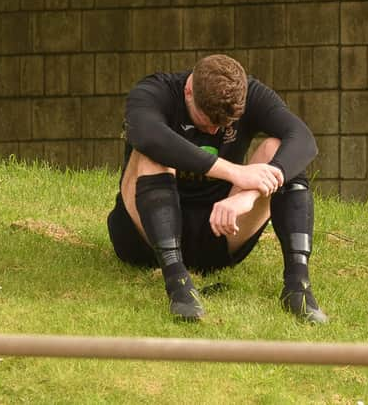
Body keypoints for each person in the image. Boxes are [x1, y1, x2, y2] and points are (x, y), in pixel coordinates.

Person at [107, 54, 328, 323]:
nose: (213, 131)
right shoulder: (155, 91)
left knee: (278, 151)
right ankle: (177, 283)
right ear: (189, 90)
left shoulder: (251, 92)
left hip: (219, 232)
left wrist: (249, 195)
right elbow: (146, 134)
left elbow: (303, 140)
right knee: (150, 153)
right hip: (143, 241)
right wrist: (235, 172)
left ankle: (298, 285)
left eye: (222, 125)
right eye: (205, 120)